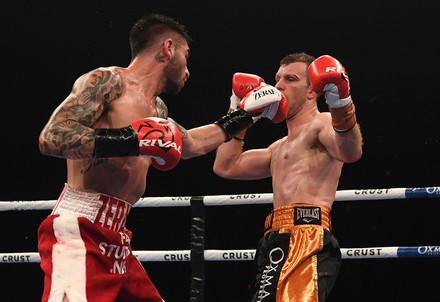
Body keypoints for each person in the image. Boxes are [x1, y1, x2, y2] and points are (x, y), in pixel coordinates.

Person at [37, 13, 286, 302]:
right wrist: (131, 139)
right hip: (82, 227)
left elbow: (191, 143)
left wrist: (243, 116)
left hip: (116, 237)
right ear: (168, 48)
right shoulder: (106, 81)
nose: (188, 70)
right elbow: (52, 137)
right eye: (186, 55)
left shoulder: (158, 110)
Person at [213, 52, 363, 302]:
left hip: (308, 236)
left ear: (312, 91)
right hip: (274, 239)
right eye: (277, 79)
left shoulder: (323, 124)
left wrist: (340, 102)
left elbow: (351, 150)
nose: (279, 86)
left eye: (291, 79)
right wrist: (238, 111)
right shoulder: (278, 148)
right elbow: (226, 165)